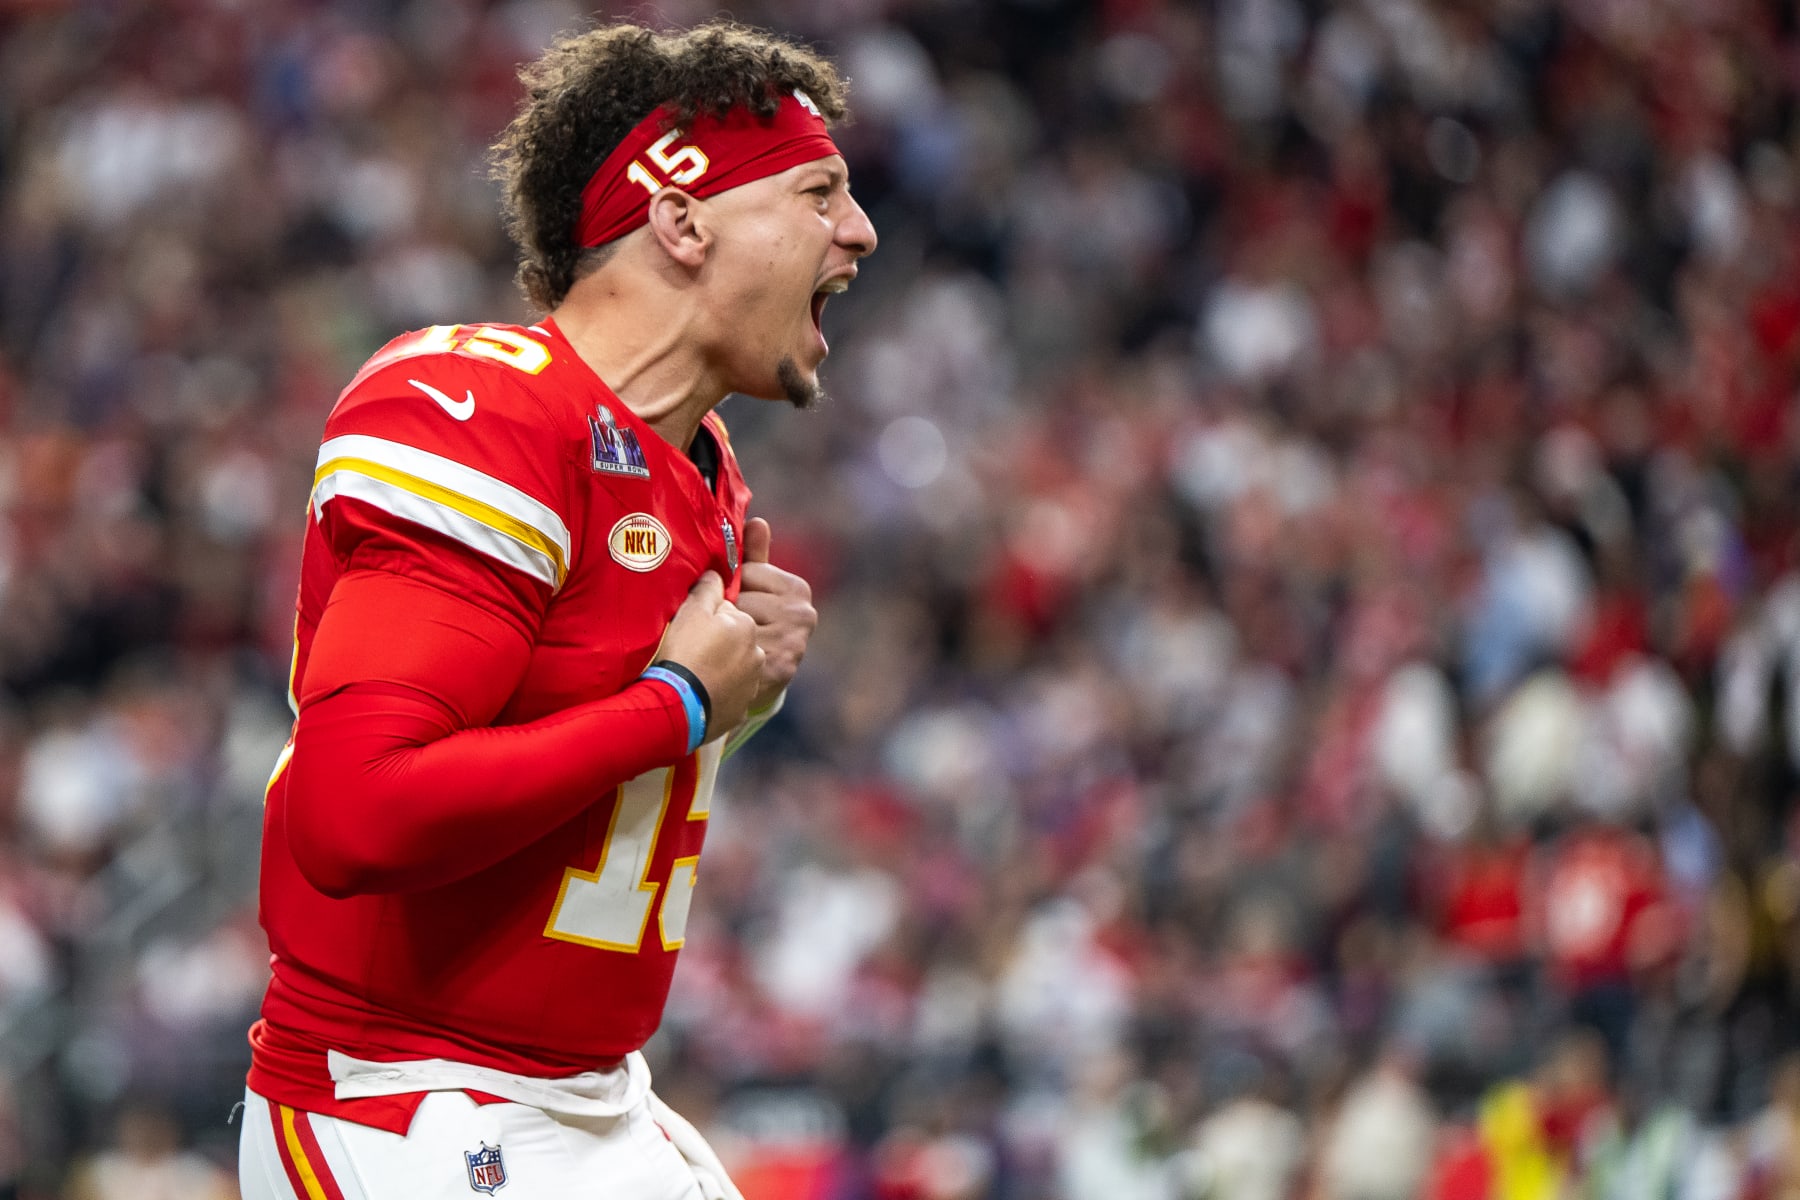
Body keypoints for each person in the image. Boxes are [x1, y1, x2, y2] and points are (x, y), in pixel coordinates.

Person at [236, 20, 875, 1199]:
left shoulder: (700, 461)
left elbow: (583, 767)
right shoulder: (479, 411)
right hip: (405, 1096)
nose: (858, 229)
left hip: (588, 1093)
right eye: (819, 190)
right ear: (681, 218)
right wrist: (682, 702)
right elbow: (356, 817)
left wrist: (734, 701)